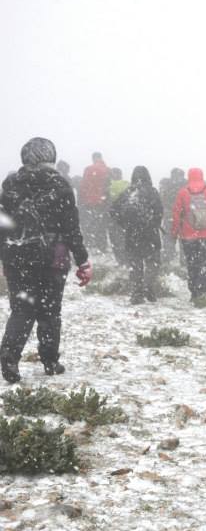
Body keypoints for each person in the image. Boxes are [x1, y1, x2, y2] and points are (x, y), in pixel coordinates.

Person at [0, 138, 92, 383]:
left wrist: (4, 257)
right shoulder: (60, 185)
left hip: (16, 256)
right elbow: (72, 228)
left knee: (21, 310)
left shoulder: (10, 186)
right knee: (50, 311)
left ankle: (9, 354)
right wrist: (82, 261)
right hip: (52, 259)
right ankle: (50, 361)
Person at [110, 166, 163, 304]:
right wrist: (154, 223)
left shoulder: (128, 192)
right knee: (153, 262)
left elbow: (113, 210)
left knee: (135, 264)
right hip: (151, 233)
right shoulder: (152, 192)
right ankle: (149, 286)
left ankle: (137, 293)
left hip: (132, 234)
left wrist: (125, 224)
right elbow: (159, 211)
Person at [171, 167, 206, 301]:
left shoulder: (183, 192)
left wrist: (174, 233)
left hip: (188, 236)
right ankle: (205, 292)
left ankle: (194, 292)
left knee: (192, 264)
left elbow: (176, 214)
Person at [79, 152, 111, 251]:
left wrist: (83, 199)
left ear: (93, 158)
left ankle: (92, 244)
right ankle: (102, 245)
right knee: (102, 224)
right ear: (101, 158)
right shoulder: (108, 170)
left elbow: (83, 186)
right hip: (104, 200)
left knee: (92, 223)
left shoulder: (88, 169)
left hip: (90, 201)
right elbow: (109, 185)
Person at [158, 168, 186, 264]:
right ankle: (184, 261)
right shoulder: (186, 184)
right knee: (184, 239)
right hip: (184, 216)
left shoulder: (166, 184)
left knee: (169, 238)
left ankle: (168, 259)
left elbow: (161, 199)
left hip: (169, 214)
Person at [108, 167, 130, 266]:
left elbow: (106, 202)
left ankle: (120, 260)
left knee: (115, 239)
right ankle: (127, 259)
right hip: (126, 216)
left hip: (113, 216)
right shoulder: (128, 184)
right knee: (125, 238)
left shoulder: (109, 186)